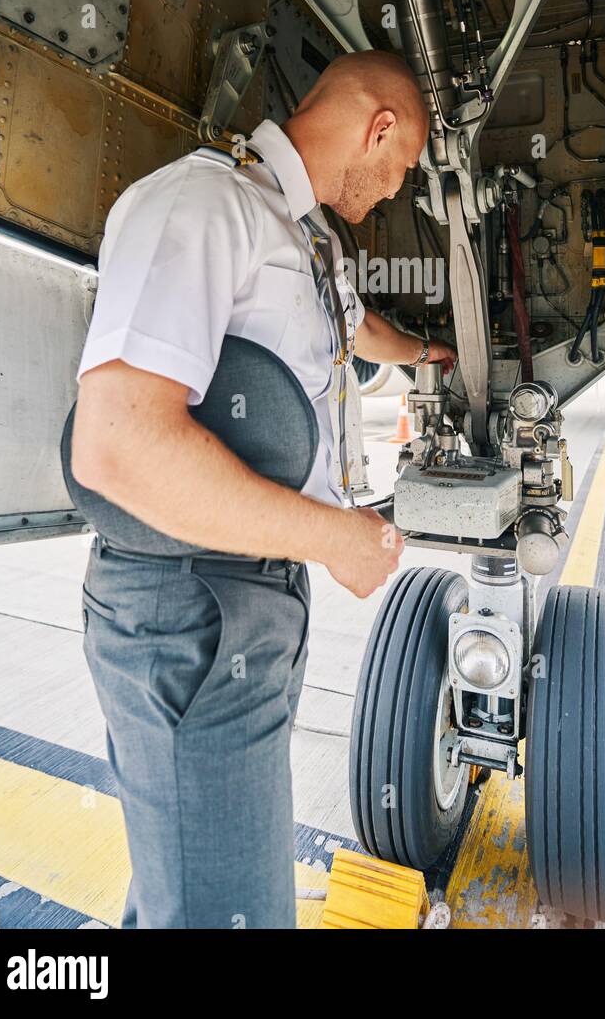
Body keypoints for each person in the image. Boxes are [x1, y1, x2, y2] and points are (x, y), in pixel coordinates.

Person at [71, 49, 456, 928]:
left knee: (191, 893)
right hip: (189, 608)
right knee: (225, 910)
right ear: (380, 127)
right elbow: (117, 444)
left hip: (250, 597)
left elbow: (351, 326)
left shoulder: (305, 234)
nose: (396, 192)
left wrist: (425, 354)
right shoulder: (201, 203)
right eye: (400, 170)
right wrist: (336, 538)